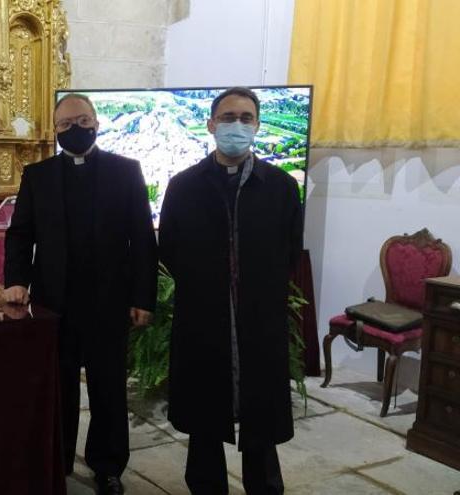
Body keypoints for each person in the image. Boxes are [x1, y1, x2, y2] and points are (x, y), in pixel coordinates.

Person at [4, 93, 158, 495]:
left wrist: (143, 297)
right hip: (55, 302)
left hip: (109, 302)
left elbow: (142, 239)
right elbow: (20, 233)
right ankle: (57, 459)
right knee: (60, 386)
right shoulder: (37, 176)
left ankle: (108, 466)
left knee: (108, 388)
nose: (75, 129)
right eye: (65, 124)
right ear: (54, 130)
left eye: (83, 120)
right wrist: (17, 280)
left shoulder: (126, 172)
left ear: (97, 122)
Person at [157, 87, 303, 494]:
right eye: (227, 117)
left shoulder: (281, 187)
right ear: (210, 124)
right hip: (203, 319)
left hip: (259, 319)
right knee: (205, 418)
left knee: (261, 420)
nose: (236, 125)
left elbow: (290, 251)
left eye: (245, 117)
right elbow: (168, 250)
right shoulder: (183, 187)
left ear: (256, 125)